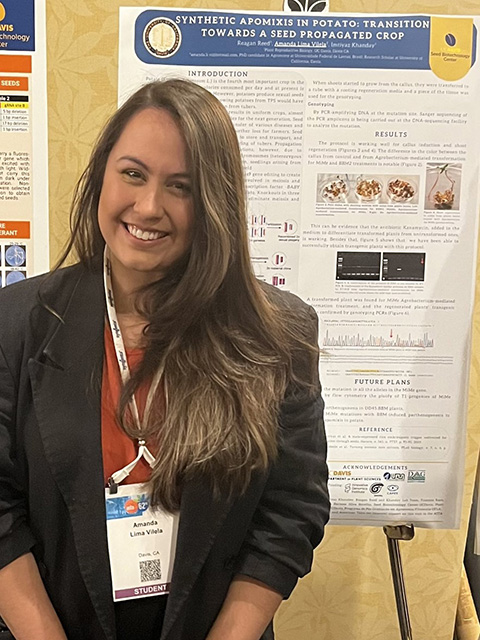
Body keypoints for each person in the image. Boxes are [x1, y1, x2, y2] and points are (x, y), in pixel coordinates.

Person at [0, 79, 329, 640]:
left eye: (181, 186)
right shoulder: (17, 322)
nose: (148, 206)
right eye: (133, 173)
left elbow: (291, 509)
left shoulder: (279, 335)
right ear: (102, 174)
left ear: (215, 204)